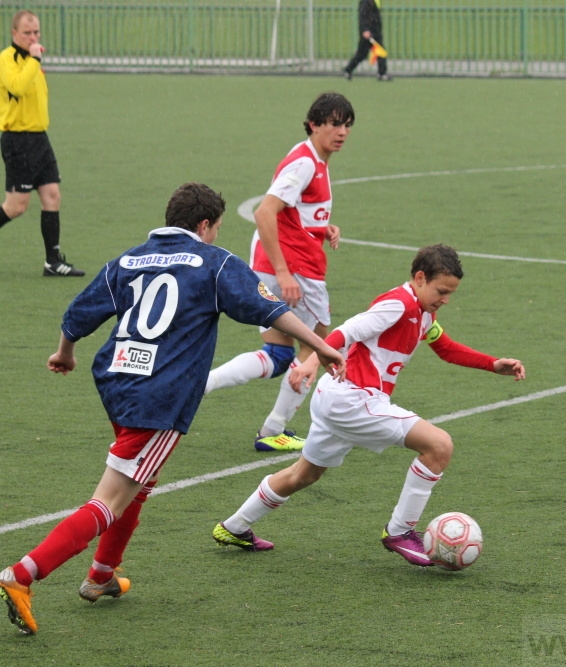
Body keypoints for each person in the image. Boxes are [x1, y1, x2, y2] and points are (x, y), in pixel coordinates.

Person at [0, 183, 345, 636]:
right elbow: (269, 310)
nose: (217, 237)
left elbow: (78, 313)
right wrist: (321, 347)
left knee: (140, 482)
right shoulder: (213, 262)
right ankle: (22, 575)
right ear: (204, 226)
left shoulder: (129, 258)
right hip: (159, 397)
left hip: (117, 379)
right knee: (111, 499)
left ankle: (101, 577)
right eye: (217, 229)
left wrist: (65, 352)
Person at [211, 244, 525, 566]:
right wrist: (312, 362)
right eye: (441, 291)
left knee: (303, 474)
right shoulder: (398, 304)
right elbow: (348, 330)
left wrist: (492, 364)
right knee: (439, 446)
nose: (445, 299)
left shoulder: (424, 313)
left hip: (336, 397)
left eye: (450, 294)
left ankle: (234, 527)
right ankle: (400, 531)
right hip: (354, 399)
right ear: (419, 278)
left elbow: (446, 348)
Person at [204, 92, 354, 453]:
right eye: (334, 123)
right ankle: (275, 428)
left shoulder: (313, 158)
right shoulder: (304, 163)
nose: (342, 131)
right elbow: (264, 212)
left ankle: (200, 384)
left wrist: (323, 228)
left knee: (278, 354)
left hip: (277, 262)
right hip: (295, 269)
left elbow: (292, 212)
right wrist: (285, 274)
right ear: (314, 124)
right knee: (319, 346)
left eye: (347, 124)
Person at [0, 10, 83, 277]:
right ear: (14, 34)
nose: (33, 37)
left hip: (40, 140)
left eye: (36, 32)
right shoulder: (6, 60)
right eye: (27, 33)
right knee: (16, 207)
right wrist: (34, 59)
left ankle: (53, 261)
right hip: (17, 140)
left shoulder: (34, 63)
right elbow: (17, 87)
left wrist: (35, 61)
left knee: (52, 196)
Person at [342, 0, 390, 81]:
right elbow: (363, 16)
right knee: (364, 53)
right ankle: (348, 70)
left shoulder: (375, 1)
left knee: (376, 52)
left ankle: (382, 73)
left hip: (375, 32)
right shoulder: (366, 1)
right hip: (369, 33)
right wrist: (365, 29)